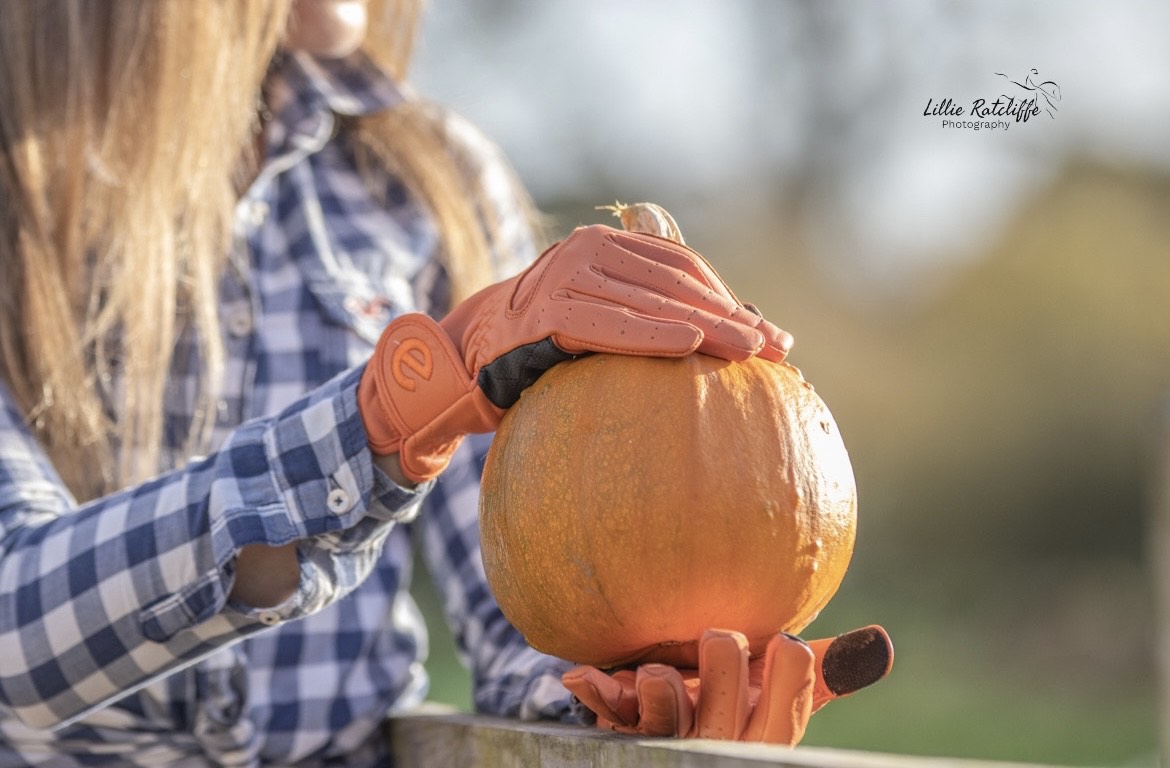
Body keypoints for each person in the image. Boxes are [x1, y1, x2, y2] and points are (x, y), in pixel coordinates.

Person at [0, 1, 888, 765]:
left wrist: (615, 685)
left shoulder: (428, 179)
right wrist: (390, 410)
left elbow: (530, 615)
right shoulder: (20, 189)